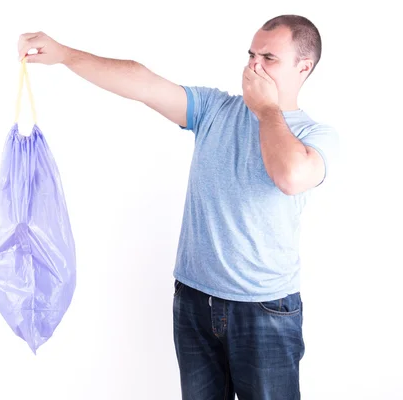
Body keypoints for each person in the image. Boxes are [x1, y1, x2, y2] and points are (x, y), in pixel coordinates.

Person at [17, 14, 339, 400]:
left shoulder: (315, 136)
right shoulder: (214, 110)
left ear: (304, 67)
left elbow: (288, 175)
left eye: (269, 58)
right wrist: (65, 54)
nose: (253, 65)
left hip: (265, 311)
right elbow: (142, 82)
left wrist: (267, 109)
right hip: (193, 301)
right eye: (251, 54)